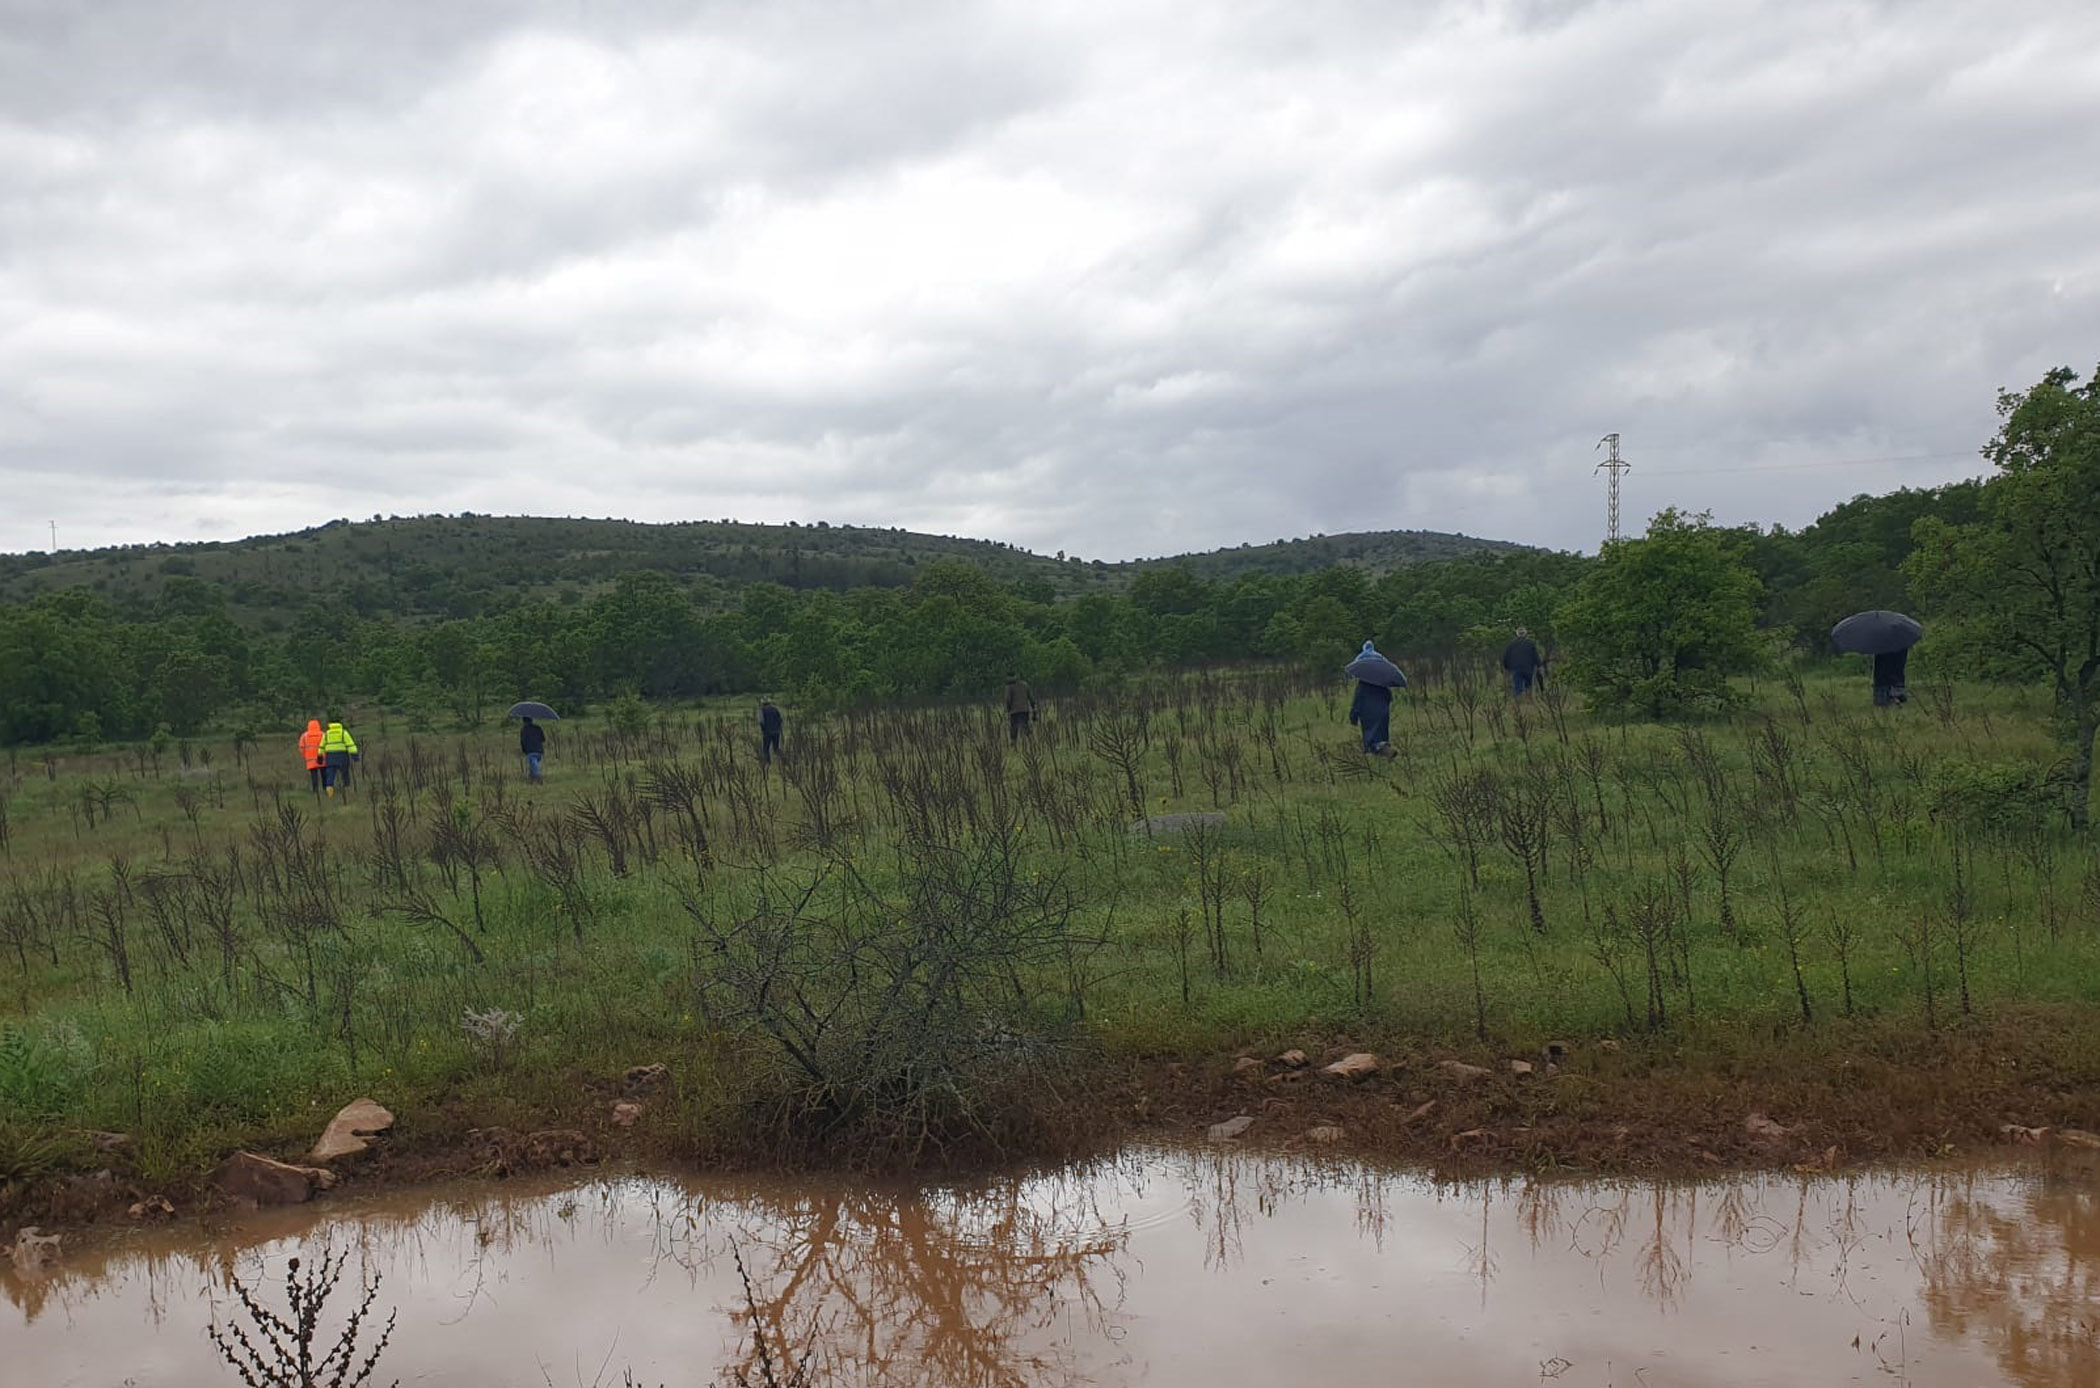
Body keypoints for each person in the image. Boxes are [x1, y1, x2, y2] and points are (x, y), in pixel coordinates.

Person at [1349, 675, 1394, 755]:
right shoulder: (1382, 683)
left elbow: (1357, 701)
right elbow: (1389, 697)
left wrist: (1353, 716)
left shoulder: (1362, 685)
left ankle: (1372, 752)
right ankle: (1383, 749)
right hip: (1383, 713)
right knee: (1382, 734)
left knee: (1370, 736)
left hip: (1368, 714)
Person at [319, 716, 359, 796]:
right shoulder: (343, 733)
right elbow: (350, 744)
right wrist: (354, 754)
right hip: (342, 756)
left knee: (330, 774)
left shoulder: (326, 734)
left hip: (330, 757)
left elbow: (322, 746)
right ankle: (346, 789)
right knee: (344, 773)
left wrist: (320, 755)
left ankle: (330, 790)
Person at [1501, 627, 1544, 697]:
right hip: (1528, 668)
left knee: (1518, 686)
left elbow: (1506, 657)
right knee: (1528, 685)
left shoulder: (1511, 645)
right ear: (1525, 634)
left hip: (1516, 668)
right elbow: (1536, 656)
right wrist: (1539, 666)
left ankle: (1518, 701)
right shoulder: (1530, 644)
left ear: (1517, 634)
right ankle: (1528, 699)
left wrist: (1506, 667)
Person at [1004, 674, 1036, 744]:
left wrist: (1008, 709)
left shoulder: (1009, 687)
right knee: (1025, 725)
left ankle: (1013, 743)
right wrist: (1033, 707)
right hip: (1025, 709)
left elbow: (1008, 699)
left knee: (1014, 727)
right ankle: (1031, 741)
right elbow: (1031, 698)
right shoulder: (1025, 685)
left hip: (1014, 711)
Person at [298, 718, 325, 793]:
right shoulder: (322, 734)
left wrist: (306, 755)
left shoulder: (304, 736)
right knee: (324, 775)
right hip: (322, 758)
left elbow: (301, 747)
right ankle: (325, 788)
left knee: (314, 775)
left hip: (310, 760)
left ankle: (315, 790)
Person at [519, 715, 547, 781]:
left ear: (524, 721)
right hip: (539, 750)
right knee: (533, 764)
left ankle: (538, 777)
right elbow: (543, 739)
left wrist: (524, 750)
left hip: (530, 750)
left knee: (533, 763)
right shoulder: (538, 728)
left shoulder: (524, 730)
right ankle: (532, 778)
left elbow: (522, 741)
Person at [758, 697, 783, 764]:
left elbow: (761, 721)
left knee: (766, 748)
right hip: (776, 731)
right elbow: (780, 719)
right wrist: (778, 727)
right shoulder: (775, 709)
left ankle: (767, 762)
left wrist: (763, 729)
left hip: (767, 732)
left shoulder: (762, 710)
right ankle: (783, 760)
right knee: (776, 748)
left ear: (762, 703)